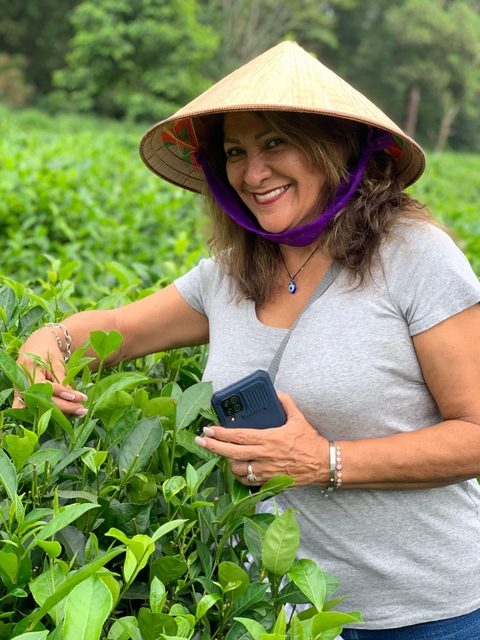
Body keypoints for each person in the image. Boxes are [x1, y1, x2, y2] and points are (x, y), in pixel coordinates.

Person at [14, 42, 480, 638]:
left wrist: (324, 462)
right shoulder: (231, 274)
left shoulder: (414, 257)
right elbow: (108, 332)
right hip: (273, 612)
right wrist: (41, 352)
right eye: (235, 151)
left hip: (425, 614)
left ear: (331, 147)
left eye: (274, 143)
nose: (252, 173)